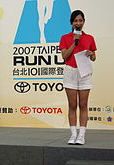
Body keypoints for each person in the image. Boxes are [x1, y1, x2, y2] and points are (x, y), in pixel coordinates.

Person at [59, 10, 97, 145]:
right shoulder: (65, 37)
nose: (78, 23)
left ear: (84, 22)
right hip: (71, 72)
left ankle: (82, 135)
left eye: (80, 20)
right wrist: (74, 44)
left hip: (85, 72)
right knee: (73, 105)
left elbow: (93, 57)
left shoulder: (90, 38)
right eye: (75, 20)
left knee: (83, 104)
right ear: (71, 23)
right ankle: (73, 134)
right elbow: (64, 56)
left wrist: (92, 54)